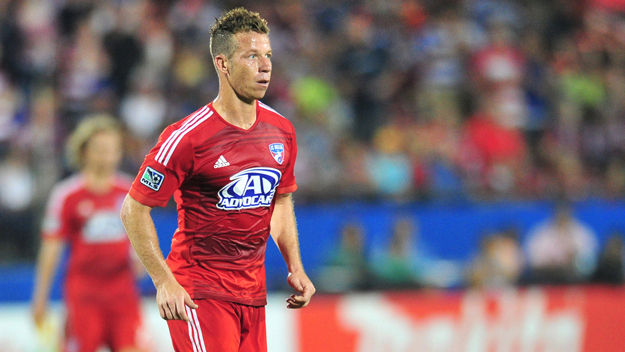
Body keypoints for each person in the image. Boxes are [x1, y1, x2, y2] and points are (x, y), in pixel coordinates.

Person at [120, 8, 315, 352]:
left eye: (267, 55)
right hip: (200, 291)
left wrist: (294, 267)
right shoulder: (186, 137)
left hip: (253, 294)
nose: (265, 65)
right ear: (223, 64)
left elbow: (280, 201)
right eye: (251, 56)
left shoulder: (282, 131)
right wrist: (164, 282)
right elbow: (133, 210)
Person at [31, 115, 146, 352]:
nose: (108, 156)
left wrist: (144, 263)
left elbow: (142, 236)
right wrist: (40, 297)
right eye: (101, 149)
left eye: (113, 149)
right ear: (84, 152)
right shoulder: (66, 195)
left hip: (122, 293)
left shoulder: (130, 192)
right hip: (84, 295)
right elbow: (51, 247)